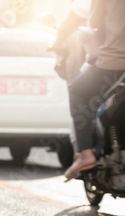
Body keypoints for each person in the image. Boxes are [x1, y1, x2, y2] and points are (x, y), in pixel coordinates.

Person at [52, 0, 125, 181]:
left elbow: (95, 26)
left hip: (115, 63)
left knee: (78, 91)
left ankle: (85, 155)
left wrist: (93, 55)